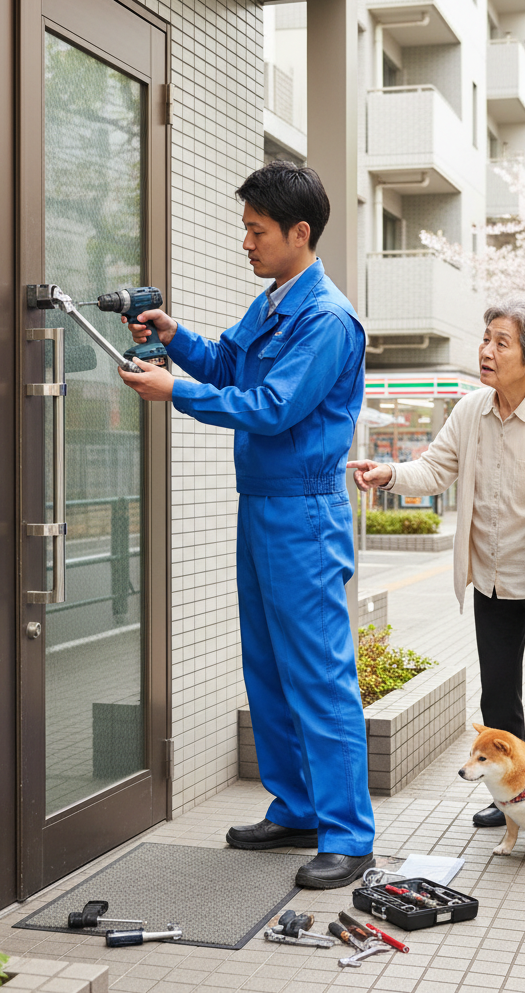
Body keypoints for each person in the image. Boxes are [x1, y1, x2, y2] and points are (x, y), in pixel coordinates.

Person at [117, 161, 375, 888]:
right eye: (246, 229)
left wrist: (175, 391)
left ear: (300, 233)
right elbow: (229, 362)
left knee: (319, 674)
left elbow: (272, 406)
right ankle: (297, 809)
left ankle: (349, 834)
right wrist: (175, 336)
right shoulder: (275, 303)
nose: (247, 243)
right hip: (261, 504)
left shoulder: (326, 319)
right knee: (267, 667)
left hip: (303, 512)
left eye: (257, 231)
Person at [348, 301, 525, 829]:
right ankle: (510, 801)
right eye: (486, 338)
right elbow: (434, 469)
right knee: (499, 701)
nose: (486, 351)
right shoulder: (470, 412)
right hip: (491, 584)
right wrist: (388, 474)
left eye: (501, 343)